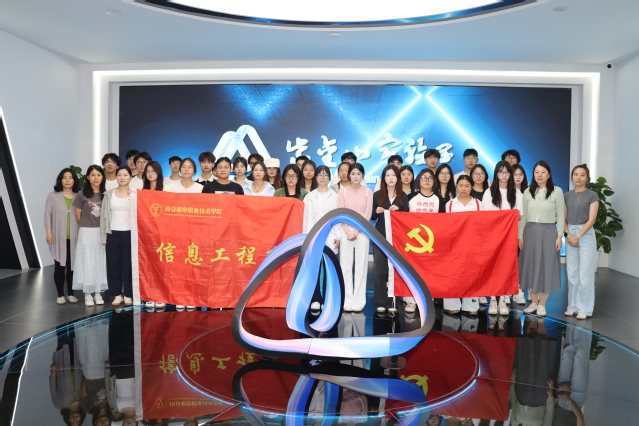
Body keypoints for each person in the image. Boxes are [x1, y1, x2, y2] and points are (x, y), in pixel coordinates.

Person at [519, 161, 565, 317]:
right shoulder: (528, 191)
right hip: (530, 232)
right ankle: (533, 302)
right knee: (531, 266)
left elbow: (561, 215)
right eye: (536, 172)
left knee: (546, 266)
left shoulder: (557, 191)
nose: (539, 175)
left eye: (543, 172)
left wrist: (559, 236)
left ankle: (542, 304)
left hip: (549, 232)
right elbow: (524, 216)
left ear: (549, 174)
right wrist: (520, 236)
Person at [481, 161, 524, 312]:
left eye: (506, 172)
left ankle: (503, 299)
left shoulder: (517, 193)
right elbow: (485, 216)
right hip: (492, 236)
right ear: (496, 174)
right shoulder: (489, 192)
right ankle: (493, 299)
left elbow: (519, 215)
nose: (504, 175)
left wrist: (507, 220)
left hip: (509, 238)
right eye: (500, 171)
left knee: (506, 268)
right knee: (493, 268)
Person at [406, 168, 445, 313]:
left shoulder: (439, 199)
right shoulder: (411, 197)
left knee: (430, 271)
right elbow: (403, 219)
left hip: (431, 242)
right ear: (418, 180)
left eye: (430, 178)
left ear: (434, 181)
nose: (427, 180)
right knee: (412, 271)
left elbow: (443, 221)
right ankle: (410, 300)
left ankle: (428, 299)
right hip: (413, 242)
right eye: (424, 177)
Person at [371, 165, 408, 315]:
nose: (390, 178)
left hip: (397, 238)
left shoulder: (403, 195)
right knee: (380, 271)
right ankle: (380, 302)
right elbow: (372, 216)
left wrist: (399, 211)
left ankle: (393, 302)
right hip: (380, 236)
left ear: (398, 178)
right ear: (383, 178)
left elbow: (407, 216)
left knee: (395, 271)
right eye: (388, 175)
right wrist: (376, 211)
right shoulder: (377, 195)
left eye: (393, 175)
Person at [303, 165, 341, 310]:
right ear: (316, 177)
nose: (322, 178)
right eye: (320, 175)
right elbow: (305, 218)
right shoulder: (309, 196)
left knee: (329, 268)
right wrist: (306, 237)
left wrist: (338, 236)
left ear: (329, 177)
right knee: (314, 268)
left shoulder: (335, 196)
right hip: (313, 237)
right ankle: (315, 299)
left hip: (330, 236)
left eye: (325, 175)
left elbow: (337, 217)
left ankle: (328, 298)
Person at [564, 164, 599, 320]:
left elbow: (592, 220)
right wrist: (568, 235)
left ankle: (584, 308)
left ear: (587, 178)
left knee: (585, 274)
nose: (579, 177)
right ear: (572, 177)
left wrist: (577, 236)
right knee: (572, 273)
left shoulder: (592, 195)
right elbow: (563, 217)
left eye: (582, 175)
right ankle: (572, 307)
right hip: (570, 234)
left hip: (585, 235)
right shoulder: (566, 195)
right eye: (576, 174)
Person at [338, 163, 373, 312]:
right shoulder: (343, 191)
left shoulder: (368, 192)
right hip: (345, 232)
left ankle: (359, 301)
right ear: (348, 175)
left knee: (361, 268)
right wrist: (348, 231)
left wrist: (357, 231)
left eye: (358, 173)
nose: (356, 176)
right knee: (345, 267)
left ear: (363, 175)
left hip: (362, 233)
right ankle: (347, 300)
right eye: (353, 173)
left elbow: (367, 214)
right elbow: (341, 212)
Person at [444, 175, 481, 315]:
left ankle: (471, 305)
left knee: (472, 274)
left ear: (472, 187)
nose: (463, 188)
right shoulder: (450, 204)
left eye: (467, 185)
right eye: (461, 185)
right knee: (453, 274)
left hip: (472, 245)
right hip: (454, 245)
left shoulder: (478, 203)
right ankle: (452, 304)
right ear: (456, 187)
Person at [72, 165, 108, 306]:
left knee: (100, 261)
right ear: (88, 177)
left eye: (98, 175)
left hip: (101, 232)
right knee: (87, 262)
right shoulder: (81, 194)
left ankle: (98, 293)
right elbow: (77, 215)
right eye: (93, 175)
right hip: (86, 232)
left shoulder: (106, 194)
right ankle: (87, 294)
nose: (96, 178)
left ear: (102, 177)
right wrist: (87, 225)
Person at [101, 166, 135, 307]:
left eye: (125, 175)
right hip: (112, 233)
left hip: (130, 234)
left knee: (128, 266)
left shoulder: (135, 194)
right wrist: (103, 237)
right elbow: (103, 217)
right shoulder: (109, 194)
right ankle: (116, 294)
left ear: (130, 177)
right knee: (113, 265)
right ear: (116, 177)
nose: (122, 177)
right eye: (119, 175)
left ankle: (128, 294)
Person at [45, 168, 80, 304]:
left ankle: (71, 293)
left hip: (75, 238)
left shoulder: (79, 195)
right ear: (60, 180)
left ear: (74, 180)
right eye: (64, 177)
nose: (67, 180)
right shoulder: (53, 196)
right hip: (58, 238)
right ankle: (60, 294)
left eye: (70, 177)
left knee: (72, 268)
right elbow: (47, 216)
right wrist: (49, 233)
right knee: (59, 267)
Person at [141, 161, 166, 310]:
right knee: (148, 265)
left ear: (158, 172)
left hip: (161, 233)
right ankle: (150, 295)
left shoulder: (166, 189)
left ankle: (161, 295)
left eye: (153, 171)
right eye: (148, 171)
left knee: (161, 265)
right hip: (146, 233)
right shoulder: (142, 191)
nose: (150, 174)